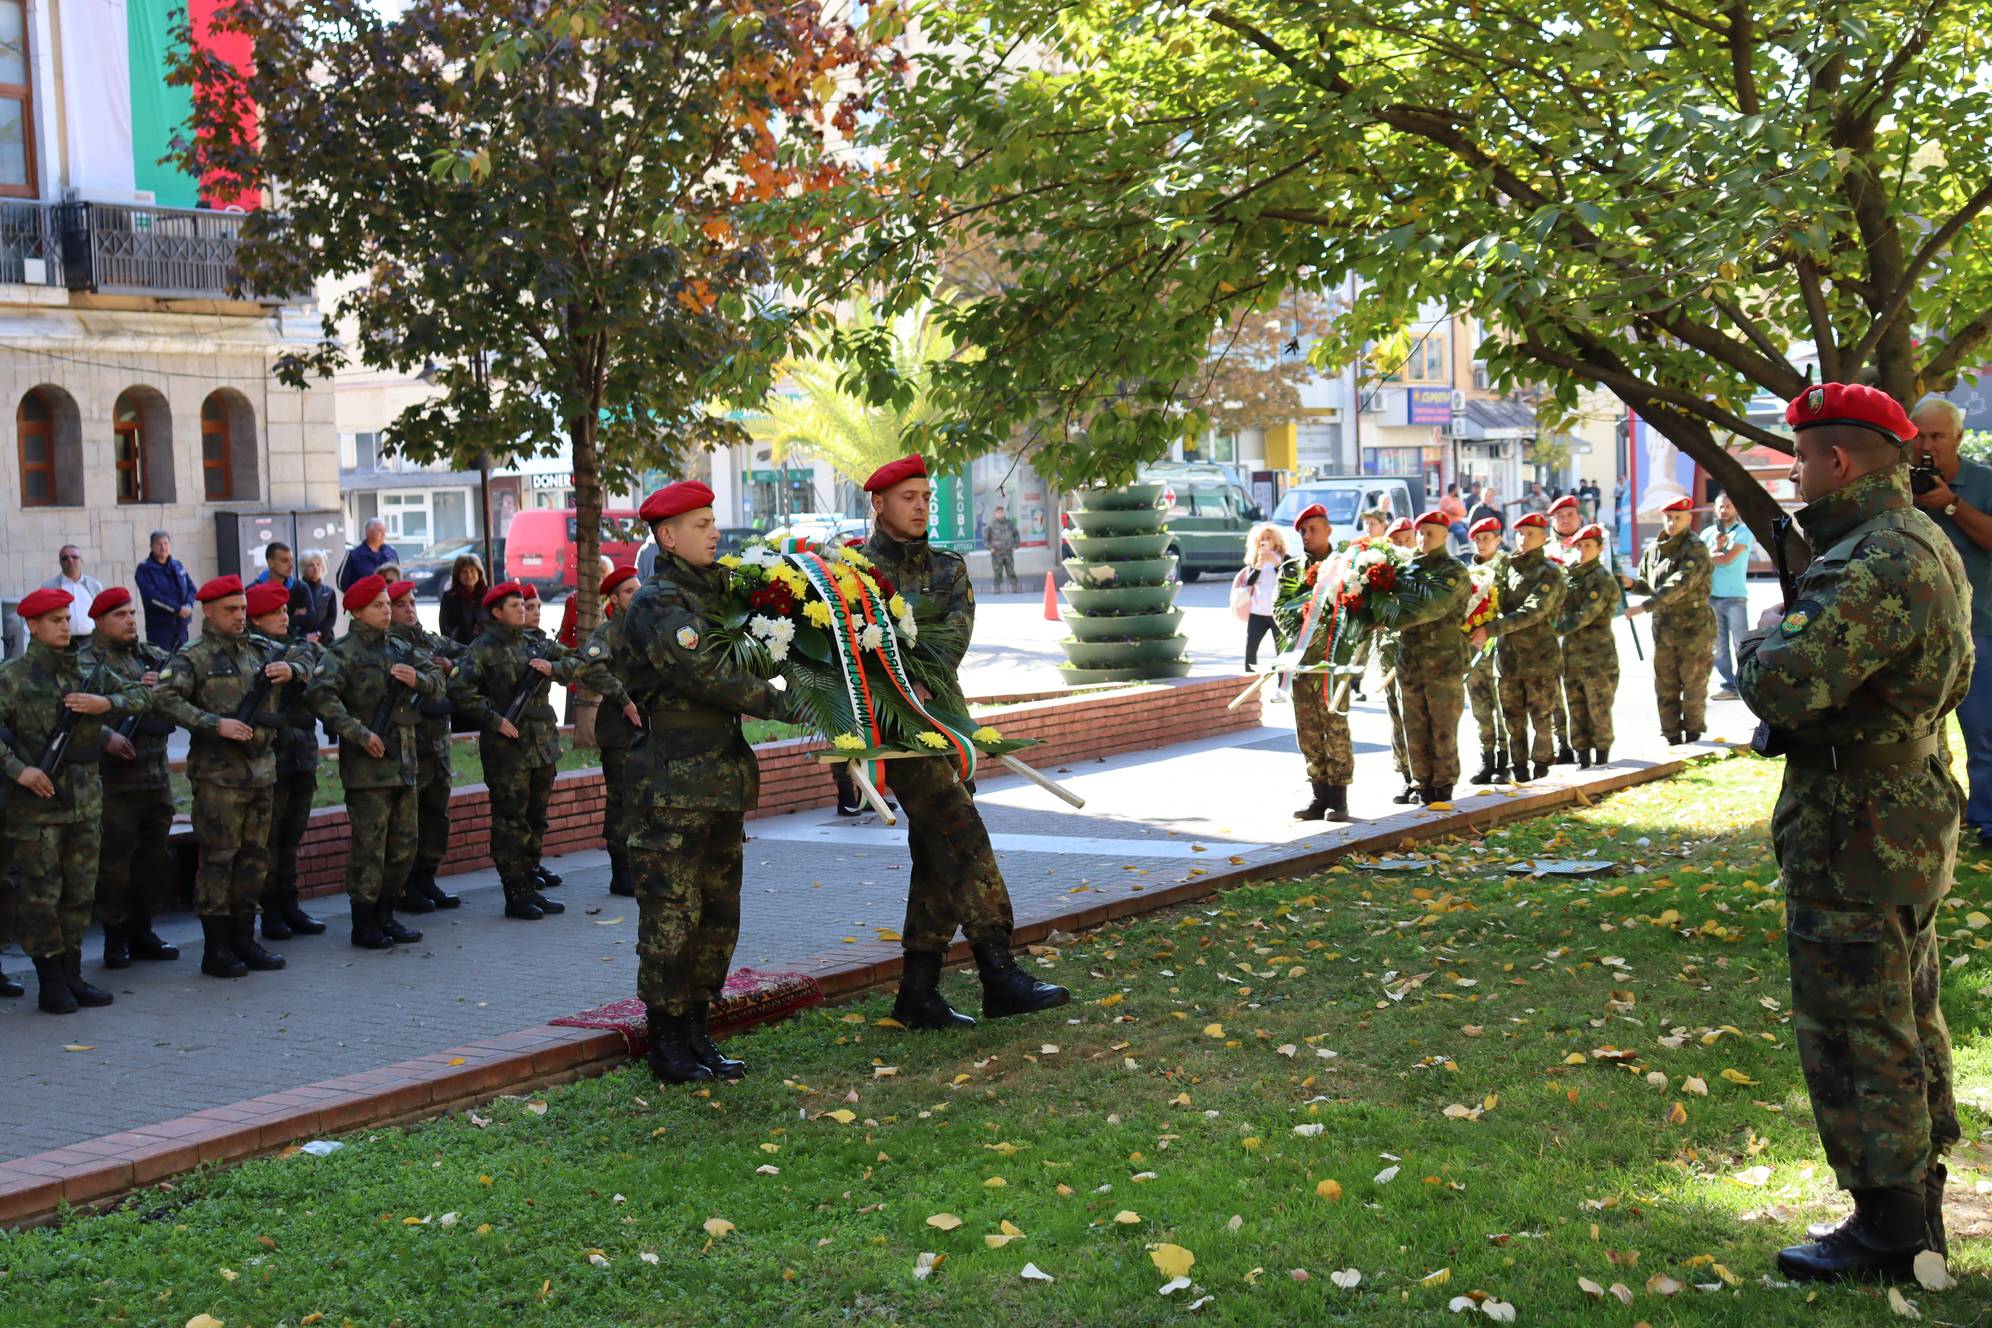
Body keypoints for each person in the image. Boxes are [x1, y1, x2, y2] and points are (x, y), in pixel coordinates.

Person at [1736, 382, 1967, 1281]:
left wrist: (1762, 634)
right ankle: (1913, 1209)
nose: (1794, 474)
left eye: (1800, 458)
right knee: (1904, 1011)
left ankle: (1889, 1231)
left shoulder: (1869, 558)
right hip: (1897, 808)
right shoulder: (1920, 539)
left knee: (1856, 1025)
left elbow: (1782, 681)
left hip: (1858, 825)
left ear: (1836, 462)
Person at [853, 456, 1069, 1032]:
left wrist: (917, 678)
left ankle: (917, 992)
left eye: (926, 495)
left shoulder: (949, 568)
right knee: (962, 834)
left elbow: (953, 635)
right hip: (893, 731)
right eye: (908, 497)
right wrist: (896, 688)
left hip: (945, 723)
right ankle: (999, 973)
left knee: (936, 855)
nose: (922, 504)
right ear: (879, 504)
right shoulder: (847, 572)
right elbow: (843, 653)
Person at [614, 481, 790, 1081]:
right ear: (667, 536)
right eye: (701, 523)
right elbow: (711, 674)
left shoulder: (720, 597)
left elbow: (757, 652)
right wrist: (794, 706)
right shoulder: (658, 604)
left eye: (714, 520)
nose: (715, 532)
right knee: (672, 913)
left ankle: (698, 1034)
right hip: (671, 784)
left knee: (718, 912)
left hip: (719, 778)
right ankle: (666, 1042)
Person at [0, 588, 145, 1013]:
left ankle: (73, 973)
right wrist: (18, 770)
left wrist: (107, 703)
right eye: (55, 620)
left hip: (85, 800)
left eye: (67, 618)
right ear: (32, 625)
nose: (65, 626)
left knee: (80, 893)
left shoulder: (88, 667)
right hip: (38, 807)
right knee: (42, 895)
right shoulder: (13, 677)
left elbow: (144, 696)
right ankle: (50, 981)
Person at [152, 575, 300, 978]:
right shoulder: (193, 656)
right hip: (219, 778)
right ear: (209, 612)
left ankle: (244, 939)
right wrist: (214, 724)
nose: (240, 616)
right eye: (231, 610)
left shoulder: (259, 648)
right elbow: (163, 697)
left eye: (243, 609)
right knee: (219, 860)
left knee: (255, 858)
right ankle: (216, 948)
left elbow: (308, 659)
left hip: (260, 771)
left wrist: (293, 669)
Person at [306, 575, 447, 950]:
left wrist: (418, 678)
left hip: (404, 762)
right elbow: (320, 695)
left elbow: (439, 678)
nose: (387, 611)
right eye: (378, 606)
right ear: (355, 611)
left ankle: (387, 914)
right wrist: (358, 733)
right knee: (370, 847)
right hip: (368, 767)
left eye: (388, 605)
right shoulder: (343, 652)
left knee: (404, 845)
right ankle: (364, 921)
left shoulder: (399, 647)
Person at [447, 582, 579, 920]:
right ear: (496, 612)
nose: (523, 609)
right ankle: (515, 893)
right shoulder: (483, 649)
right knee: (510, 822)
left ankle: (531, 884)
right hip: (507, 750)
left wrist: (555, 669)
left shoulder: (536, 642)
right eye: (514, 605)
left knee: (536, 818)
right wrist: (493, 719)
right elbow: (459, 689)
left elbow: (578, 664)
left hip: (542, 746)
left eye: (524, 604)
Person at [1907, 395, 1992, 846]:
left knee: (1985, 736)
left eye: (1936, 435)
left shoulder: (1983, 481)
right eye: (1919, 434)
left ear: (1957, 437)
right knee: (1919, 740)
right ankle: (1935, 822)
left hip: (1980, 630)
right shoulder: (1900, 485)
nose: (1926, 444)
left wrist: (1950, 505)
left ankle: (1987, 822)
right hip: (1917, 635)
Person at [84, 587, 182, 968]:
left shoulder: (151, 656)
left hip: (155, 779)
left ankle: (144, 930)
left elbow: (181, 681)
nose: (130, 621)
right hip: (114, 783)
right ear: (99, 621)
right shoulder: (86, 662)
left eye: (131, 614)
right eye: (120, 615)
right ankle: (115, 938)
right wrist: (105, 736)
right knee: (115, 864)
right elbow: (62, 716)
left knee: (153, 860)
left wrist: (166, 682)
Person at [254, 580, 328, 943]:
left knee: (291, 837)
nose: (283, 616)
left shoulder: (296, 647)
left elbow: (313, 661)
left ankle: (291, 903)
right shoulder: (251, 651)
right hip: (271, 759)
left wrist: (293, 671)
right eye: (274, 612)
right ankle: (271, 910)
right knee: (270, 838)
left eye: (284, 610)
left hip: (301, 757)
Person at [1277, 503, 1356, 821]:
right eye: (1302, 532)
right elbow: (1280, 608)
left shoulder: (1346, 565)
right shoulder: (1291, 569)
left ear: (1328, 530)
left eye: (1312, 529)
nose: (1306, 536)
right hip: (1301, 662)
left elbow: (1357, 608)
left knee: (1335, 728)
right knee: (1307, 731)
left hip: (1332, 663)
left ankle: (1339, 798)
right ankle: (1317, 795)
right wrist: (1300, 622)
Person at [1471, 511, 1563, 782]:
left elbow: (1532, 611)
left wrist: (1489, 629)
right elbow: (1486, 597)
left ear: (1544, 537)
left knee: (1542, 718)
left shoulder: (1549, 573)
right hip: (1509, 659)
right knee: (1513, 719)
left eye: (1530, 534)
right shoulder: (1507, 568)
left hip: (1539, 659)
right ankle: (1519, 768)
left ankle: (1542, 767)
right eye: (1520, 533)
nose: (1524, 539)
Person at [389, 579, 463, 914]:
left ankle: (427, 877)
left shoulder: (426, 638)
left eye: (412, 603)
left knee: (436, 813)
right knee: (410, 816)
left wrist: (450, 666)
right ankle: (406, 884)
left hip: (437, 740)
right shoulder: (391, 644)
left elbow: (463, 653)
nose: (409, 610)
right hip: (410, 741)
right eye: (400, 604)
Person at [1391, 512, 1472, 803]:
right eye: (1421, 533)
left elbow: (1431, 607)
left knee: (1442, 727)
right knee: (1414, 726)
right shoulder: (1407, 569)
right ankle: (1421, 783)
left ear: (1445, 536)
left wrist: (1387, 615)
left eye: (1431, 533)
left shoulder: (1453, 571)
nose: (1425, 539)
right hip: (1411, 662)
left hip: (1443, 663)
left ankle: (1443, 785)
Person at [1621, 496, 1716, 743]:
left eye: (1677, 518)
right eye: (1668, 517)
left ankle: (1693, 737)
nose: (1672, 523)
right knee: (1665, 684)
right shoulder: (1655, 549)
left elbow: (1678, 585)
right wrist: (1631, 584)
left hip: (1693, 628)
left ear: (1688, 518)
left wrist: (1645, 607)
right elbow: (1649, 585)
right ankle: (1671, 736)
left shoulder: (1695, 548)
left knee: (1693, 683)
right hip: (1663, 629)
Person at [578, 565, 644, 899]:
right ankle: (621, 871)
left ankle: (642, 864)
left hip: (650, 728)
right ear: (615, 599)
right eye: (629, 591)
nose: (637, 593)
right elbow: (590, 668)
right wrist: (623, 698)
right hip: (620, 732)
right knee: (622, 799)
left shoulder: (650, 629)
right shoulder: (607, 633)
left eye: (637, 587)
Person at [1555, 524, 1619, 767]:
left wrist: (1554, 631)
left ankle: (1602, 758)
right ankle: (1582, 756)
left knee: (1598, 707)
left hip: (1597, 656)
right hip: (1572, 655)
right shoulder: (1569, 576)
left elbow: (1586, 614)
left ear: (1600, 548)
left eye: (1588, 545)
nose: (1582, 551)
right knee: (1576, 706)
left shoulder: (1601, 579)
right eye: (1579, 546)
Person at [1464, 517, 1508, 783]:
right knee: (1480, 705)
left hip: (1499, 645)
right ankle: (1487, 758)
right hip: (1475, 648)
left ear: (1498, 539)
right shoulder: (1469, 572)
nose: (1481, 543)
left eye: (1487, 538)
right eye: (1477, 539)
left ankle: (1506, 760)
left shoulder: (1506, 567)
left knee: (1501, 704)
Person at [1702, 491, 1755, 701]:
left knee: (1741, 644)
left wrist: (1711, 555)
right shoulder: (1707, 534)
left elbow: (1727, 559)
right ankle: (1730, 686)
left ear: (1736, 509)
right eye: (1720, 506)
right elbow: (1696, 562)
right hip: (1711, 597)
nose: (1724, 510)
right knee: (1719, 646)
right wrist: (1715, 549)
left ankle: (1749, 685)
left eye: (1729, 506)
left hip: (1734, 597)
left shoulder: (1743, 532)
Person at [135, 530, 198, 652]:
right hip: (160, 630)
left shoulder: (177, 565)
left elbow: (191, 588)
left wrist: (189, 605)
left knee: (182, 665)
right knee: (163, 667)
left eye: (166, 543)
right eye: (159, 544)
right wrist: (178, 609)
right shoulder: (145, 569)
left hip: (181, 629)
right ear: (151, 546)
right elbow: (152, 597)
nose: (163, 547)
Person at [1236, 524, 1285, 671]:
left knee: (1281, 651)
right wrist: (1259, 566)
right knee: (1251, 648)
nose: (1265, 541)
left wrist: (1276, 564)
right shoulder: (1255, 558)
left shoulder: (1283, 558)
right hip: (1258, 612)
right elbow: (1249, 582)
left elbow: (1288, 580)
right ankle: (1249, 678)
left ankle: (1282, 684)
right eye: (1262, 539)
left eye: (1268, 538)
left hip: (1277, 613)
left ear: (1276, 540)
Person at [41, 546, 104, 640]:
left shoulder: (95, 585)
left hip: (91, 640)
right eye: (65, 558)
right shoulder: (49, 586)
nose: (70, 560)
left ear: (81, 561)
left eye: (74, 557)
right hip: (62, 641)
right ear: (60, 562)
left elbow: (103, 612)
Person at [438, 553, 493, 647]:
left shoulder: (489, 595)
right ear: (457, 575)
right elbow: (445, 629)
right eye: (464, 572)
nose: (469, 575)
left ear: (479, 573)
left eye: (472, 571)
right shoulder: (449, 598)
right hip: (459, 650)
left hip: (487, 648)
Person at [337, 518, 400, 592]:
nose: (383, 534)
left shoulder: (391, 552)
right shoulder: (354, 554)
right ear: (368, 532)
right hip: (364, 601)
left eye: (384, 531)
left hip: (388, 600)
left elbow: (398, 577)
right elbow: (341, 582)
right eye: (379, 530)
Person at [290, 550, 338, 644]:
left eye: (318, 564)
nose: (316, 568)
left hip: (325, 640)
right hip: (301, 640)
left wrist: (318, 634)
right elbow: (290, 618)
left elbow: (331, 617)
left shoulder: (329, 591)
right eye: (311, 565)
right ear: (304, 568)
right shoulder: (295, 590)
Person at [983, 505, 1021, 594]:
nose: (1000, 514)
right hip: (996, 552)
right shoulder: (991, 525)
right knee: (997, 571)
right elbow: (986, 538)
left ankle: (1014, 587)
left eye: (1001, 512)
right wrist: (990, 548)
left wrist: (1015, 546)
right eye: (998, 513)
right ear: (995, 514)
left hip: (1008, 551)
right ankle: (997, 588)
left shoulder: (1009, 523)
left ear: (1004, 513)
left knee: (1011, 570)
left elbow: (1016, 535)